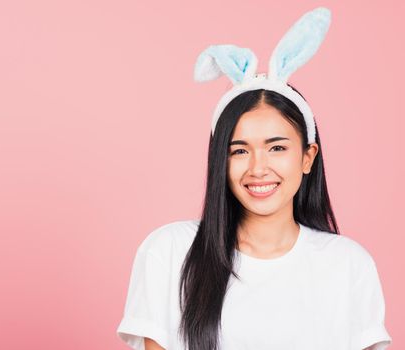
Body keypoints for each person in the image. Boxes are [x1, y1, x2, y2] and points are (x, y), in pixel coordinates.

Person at [116, 7, 392, 350]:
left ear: (308, 157)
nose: (258, 168)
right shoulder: (170, 252)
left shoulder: (349, 265)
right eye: (239, 151)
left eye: (277, 148)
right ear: (220, 160)